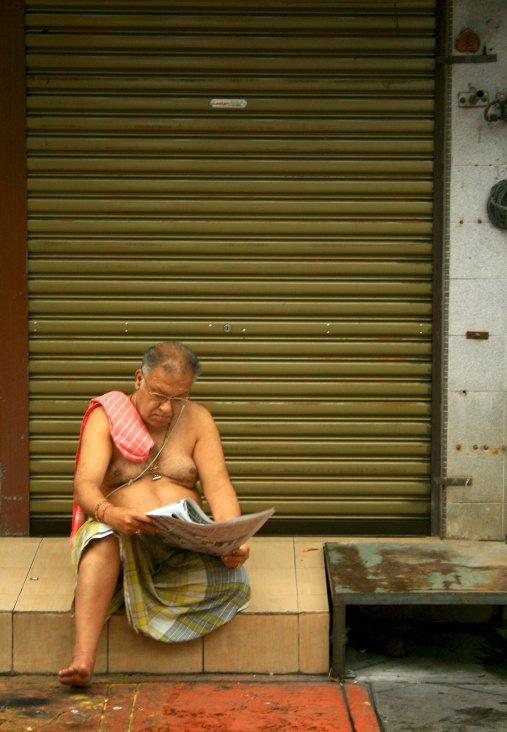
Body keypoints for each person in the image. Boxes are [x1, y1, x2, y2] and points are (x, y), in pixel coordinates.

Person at [58, 341, 251, 686]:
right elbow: (84, 484)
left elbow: (218, 486)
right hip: (120, 534)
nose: (166, 408)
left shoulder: (199, 420)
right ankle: (83, 658)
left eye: (178, 399)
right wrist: (110, 513)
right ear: (138, 379)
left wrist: (232, 536)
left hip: (179, 541)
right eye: (159, 395)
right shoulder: (107, 416)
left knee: (231, 577)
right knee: (101, 540)